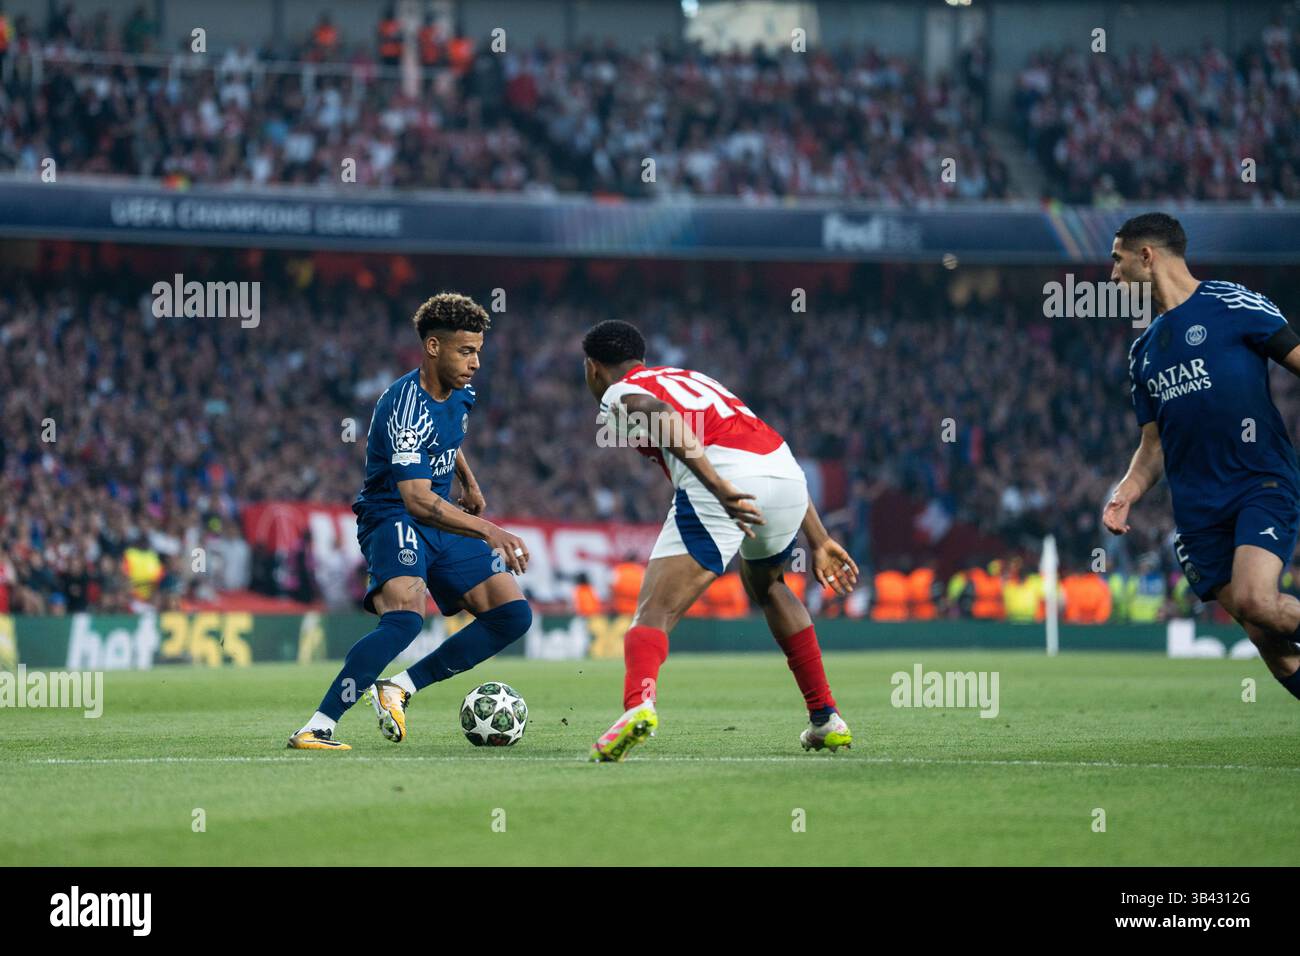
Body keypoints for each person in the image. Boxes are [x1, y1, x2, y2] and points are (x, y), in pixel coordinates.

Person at [581, 320, 858, 761]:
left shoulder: (620, 390)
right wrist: (819, 538)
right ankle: (825, 718)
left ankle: (639, 706)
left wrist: (717, 485)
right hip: (788, 477)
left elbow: (656, 414)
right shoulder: (692, 377)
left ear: (593, 368)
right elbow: (761, 447)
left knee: (654, 610)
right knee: (768, 585)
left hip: (726, 482)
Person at [288, 293, 532, 750]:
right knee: (404, 621)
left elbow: (448, 437)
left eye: (478, 350)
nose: (476, 362)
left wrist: (469, 481)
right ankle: (317, 725)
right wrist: (490, 529)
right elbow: (416, 500)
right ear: (433, 347)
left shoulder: (461, 391)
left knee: (511, 615)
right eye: (466, 351)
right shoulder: (403, 405)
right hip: (393, 514)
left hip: (441, 516)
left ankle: (399, 687)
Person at [1104, 212, 1300, 700]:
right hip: (1198, 514)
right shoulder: (1144, 351)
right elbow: (1153, 448)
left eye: (1117, 259)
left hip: (1259, 483)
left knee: (1257, 600)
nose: (1112, 275)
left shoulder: (1234, 303)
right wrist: (1126, 492)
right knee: (1270, 641)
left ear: (1145, 257)